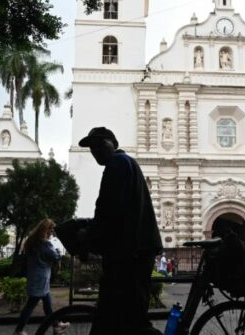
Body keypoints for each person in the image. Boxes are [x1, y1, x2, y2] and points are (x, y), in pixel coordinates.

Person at [78, 127, 163, 335]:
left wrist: (87, 237)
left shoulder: (117, 164)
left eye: (99, 144)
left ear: (112, 143)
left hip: (132, 253)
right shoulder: (127, 163)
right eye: (92, 148)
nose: (95, 151)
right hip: (135, 250)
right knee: (116, 315)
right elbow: (115, 210)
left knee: (133, 319)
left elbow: (107, 209)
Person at [13, 218, 68, 335]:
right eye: (51, 231)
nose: (52, 233)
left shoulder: (31, 241)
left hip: (35, 276)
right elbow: (55, 256)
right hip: (41, 278)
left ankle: (56, 325)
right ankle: (19, 330)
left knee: (47, 304)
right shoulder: (45, 243)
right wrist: (58, 251)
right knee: (30, 305)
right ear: (46, 230)